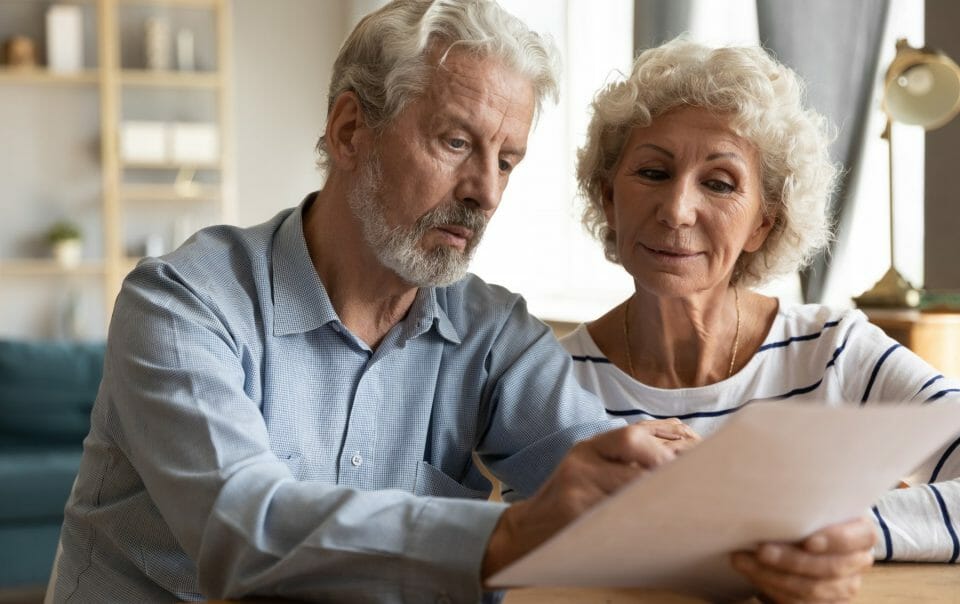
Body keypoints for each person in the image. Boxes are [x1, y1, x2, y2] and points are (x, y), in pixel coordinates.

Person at [51, 4, 874, 603]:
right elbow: (239, 527)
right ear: (349, 132)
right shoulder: (184, 304)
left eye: (508, 160)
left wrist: (785, 539)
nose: (483, 191)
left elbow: (617, 486)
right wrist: (509, 534)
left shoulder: (490, 333)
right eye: (455, 143)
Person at [562, 36, 960, 575]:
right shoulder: (549, 378)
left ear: (763, 223)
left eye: (720, 184)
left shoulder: (834, 351)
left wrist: (824, 525)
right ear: (609, 199)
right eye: (653, 173)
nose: (677, 210)